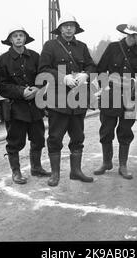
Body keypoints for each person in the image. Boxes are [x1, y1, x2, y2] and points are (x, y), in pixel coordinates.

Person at [38, 13, 96, 187]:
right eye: (65, 26)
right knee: (55, 137)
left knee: (78, 136)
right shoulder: (50, 46)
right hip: (58, 99)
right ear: (60, 29)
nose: (69, 28)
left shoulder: (82, 47)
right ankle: (55, 174)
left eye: (71, 25)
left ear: (75, 28)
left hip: (78, 100)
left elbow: (92, 65)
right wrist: (62, 77)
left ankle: (75, 171)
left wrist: (86, 74)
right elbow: (43, 69)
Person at [94, 18, 137, 179]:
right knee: (106, 130)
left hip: (131, 97)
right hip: (110, 96)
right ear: (131, 34)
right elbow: (100, 70)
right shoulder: (113, 48)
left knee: (125, 131)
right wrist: (104, 86)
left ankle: (123, 166)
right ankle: (106, 162)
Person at [0, 26, 51, 184]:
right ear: (10, 40)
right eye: (15, 36)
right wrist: (21, 92)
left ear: (25, 38)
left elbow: (44, 76)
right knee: (15, 141)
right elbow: (1, 86)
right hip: (16, 108)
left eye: (21, 35)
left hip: (35, 106)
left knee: (39, 138)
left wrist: (37, 88)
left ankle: (36, 167)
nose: (18, 38)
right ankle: (16, 172)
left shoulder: (35, 56)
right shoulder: (3, 60)